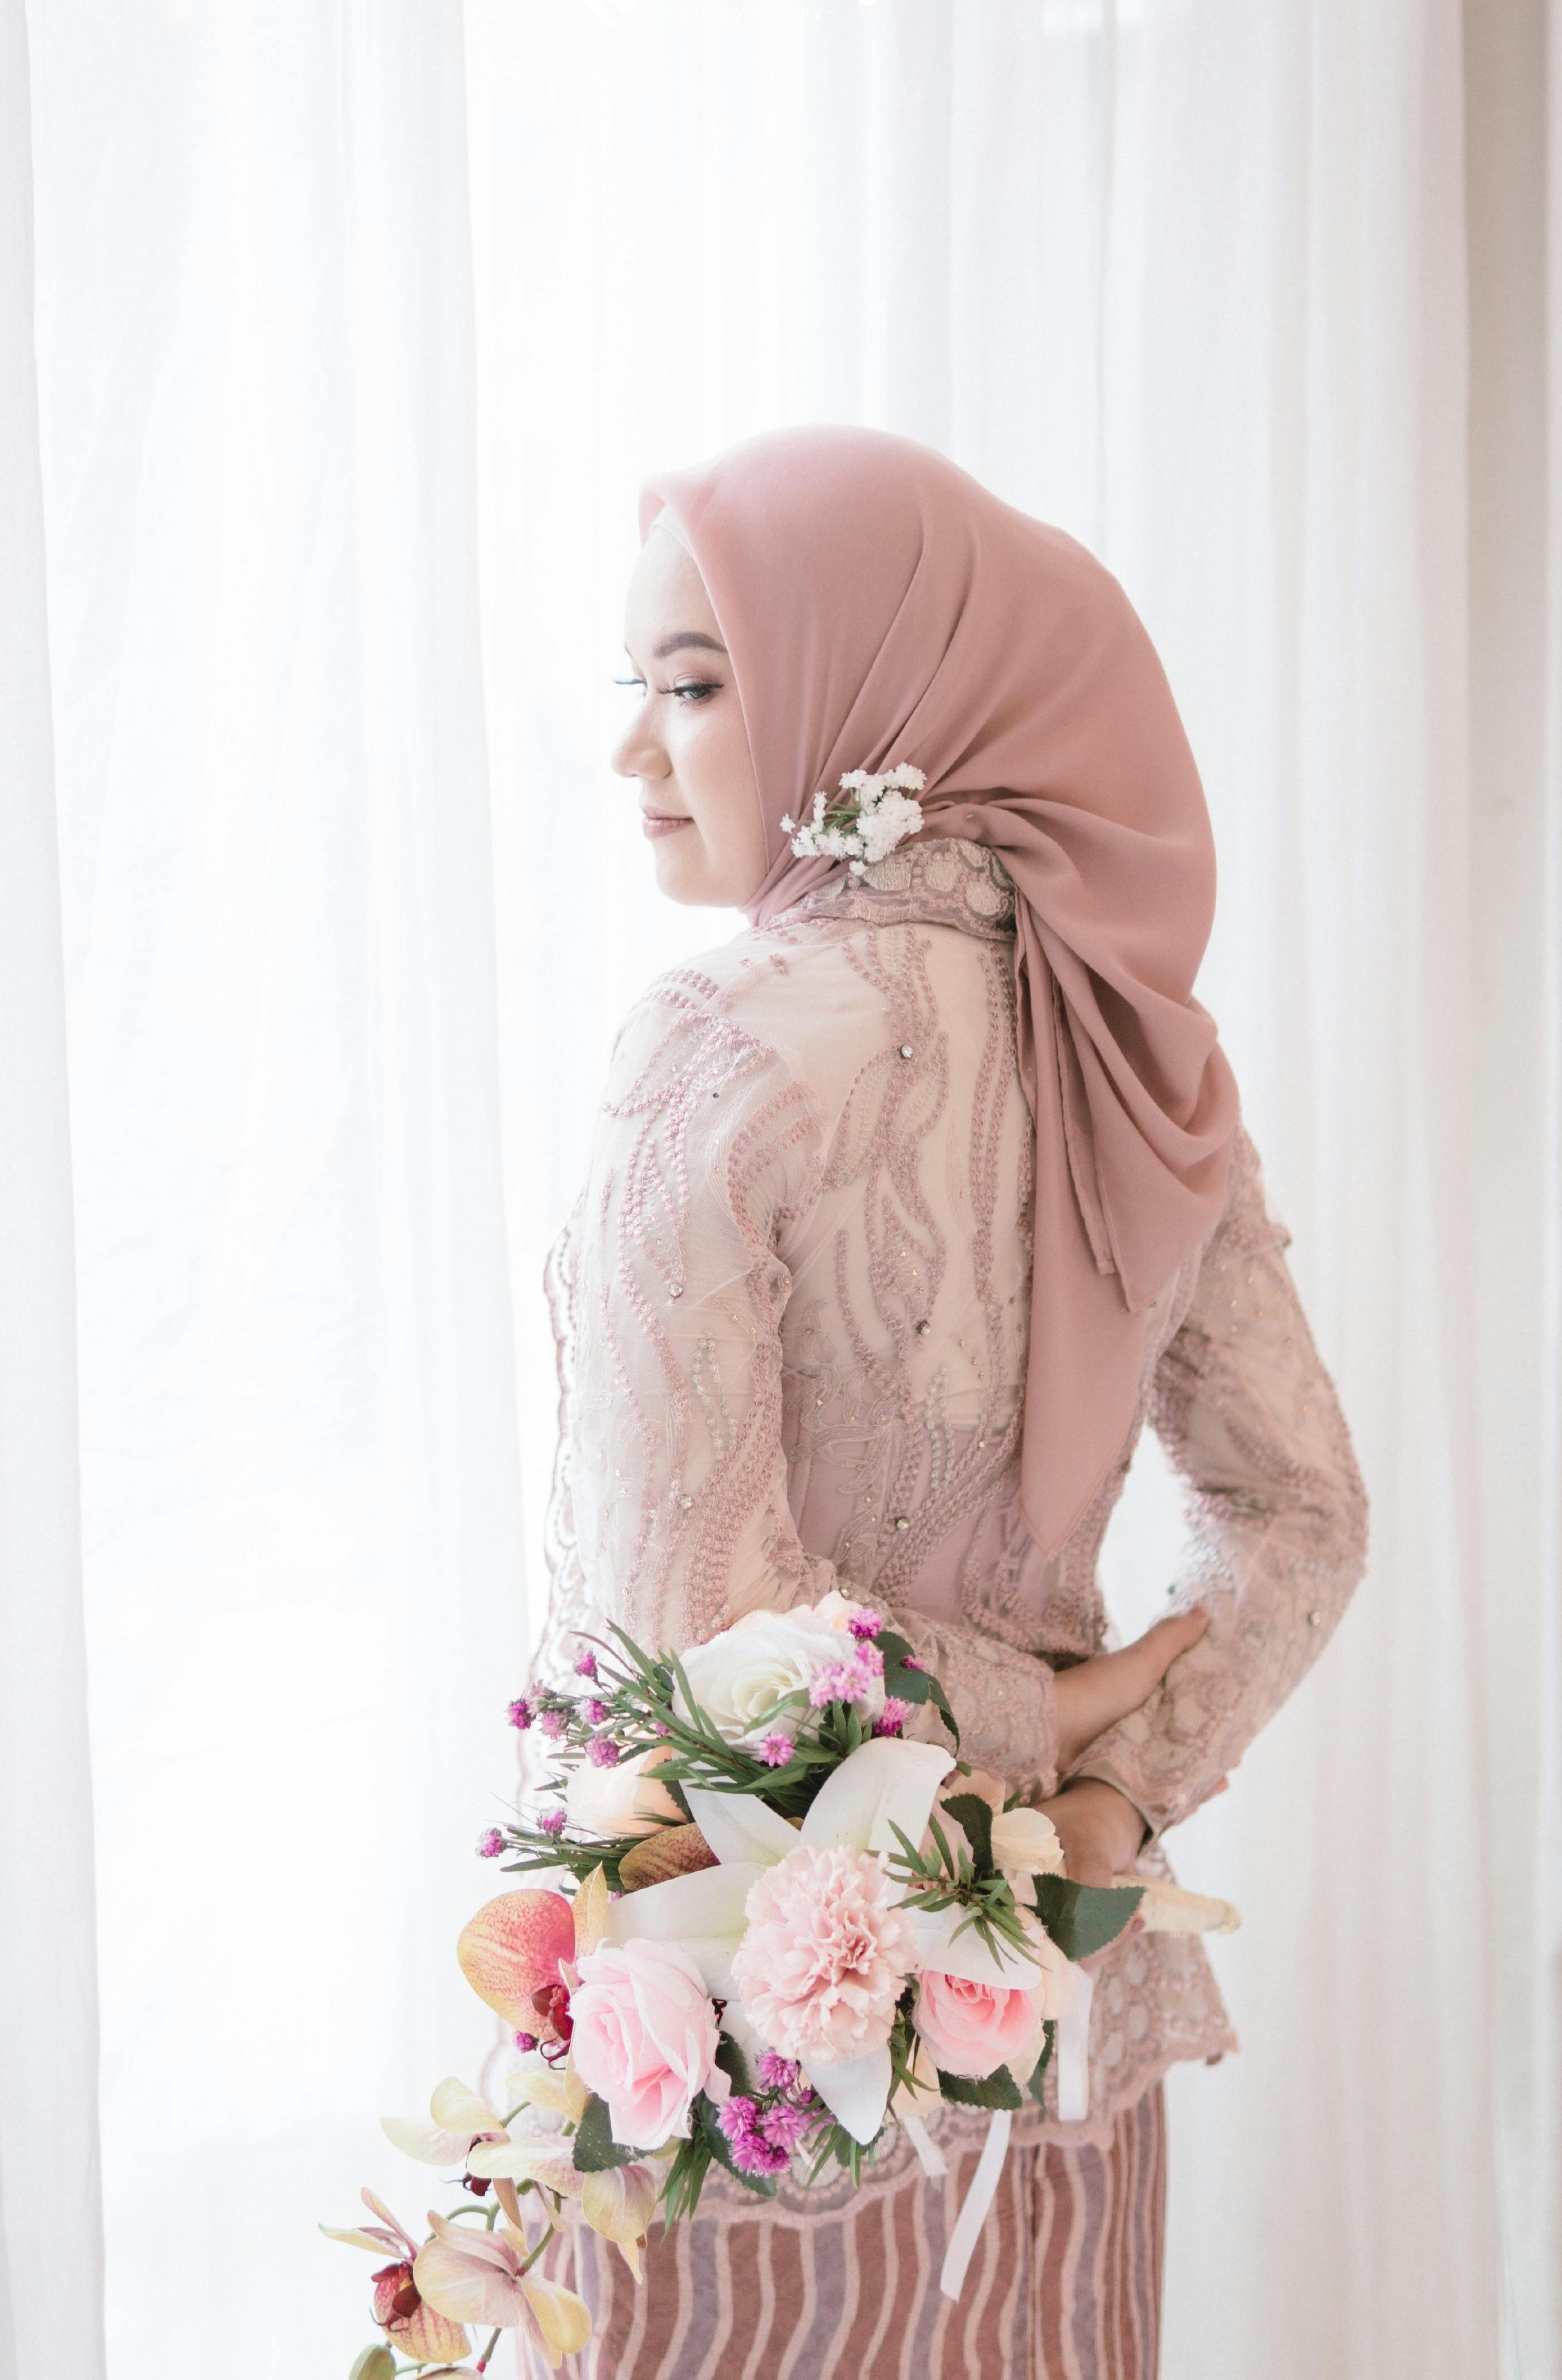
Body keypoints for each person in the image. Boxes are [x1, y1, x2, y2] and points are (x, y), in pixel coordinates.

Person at [524, 427, 1367, 2378]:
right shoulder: (1138, 1060)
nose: (637, 755)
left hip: (745, 2042)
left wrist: (1015, 1731)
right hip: (1060, 2012)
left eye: (697, 685)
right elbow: (1307, 1517)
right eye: (634, 691)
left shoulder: (715, 1055)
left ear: (859, 689)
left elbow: (686, 1648)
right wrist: (1088, 1785)